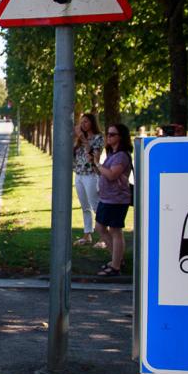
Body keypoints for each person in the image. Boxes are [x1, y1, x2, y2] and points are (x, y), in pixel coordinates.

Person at [96, 123, 133, 277]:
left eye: (112, 134)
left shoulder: (122, 156)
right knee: (100, 228)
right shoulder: (112, 155)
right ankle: (117, 258)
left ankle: (116, 266)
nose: (108, 137)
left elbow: (112, 175)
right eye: (108, 134)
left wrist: (97, 164)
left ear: (121, 137)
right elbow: (102, 173)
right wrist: (96, 162)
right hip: (106, 198)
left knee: (115, 231)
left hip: (117, 200)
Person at [72, 113, 105, 248]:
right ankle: (87, 235)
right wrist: (76, 137)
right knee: (85, 206)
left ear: (92, 123)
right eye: (81, 122)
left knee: (95, 205)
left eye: (85, 122)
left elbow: (94, 156)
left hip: (91, 174)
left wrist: (84, 140)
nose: (83, 125)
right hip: (79, 174)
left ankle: (104, 237)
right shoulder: (79, 139)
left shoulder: (98, 138)